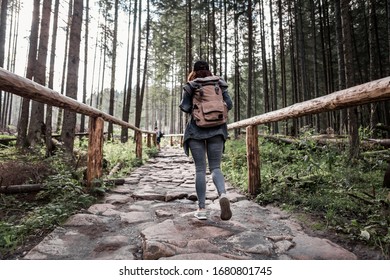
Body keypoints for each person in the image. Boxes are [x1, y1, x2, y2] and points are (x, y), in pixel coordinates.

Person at [179, 60, 233, 221]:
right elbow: (229, 104)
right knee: (216, 167)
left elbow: (185, 107)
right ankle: (222, 194)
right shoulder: (219, 83)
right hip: (217, 130)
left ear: (194, 71)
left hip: (196, 131)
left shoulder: (191, 85)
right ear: (209, 70)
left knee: (200, 170)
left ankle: (202, 209)